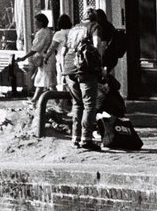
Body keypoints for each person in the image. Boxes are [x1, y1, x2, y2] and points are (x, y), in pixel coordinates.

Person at [64, 11, 103, 151]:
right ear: (95, 18)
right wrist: (100, 65)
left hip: (69, 67)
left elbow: (65, 48)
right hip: (85, 68)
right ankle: (86, 139)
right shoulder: (94, 27)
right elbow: (97, 45)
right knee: (89, 104)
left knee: (77, 104)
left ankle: (75, 137)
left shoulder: (74, 28)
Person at [20, 13, 55, 107]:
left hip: (45, 58)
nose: (34, 24)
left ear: (40, 22)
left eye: (36, 22)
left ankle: (59, 103)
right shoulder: (48, 31)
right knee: (41, 80)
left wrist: (24, 57)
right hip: (46, 57)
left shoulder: (42, 32)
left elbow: (35, 48)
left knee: (49, 82)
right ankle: (34, 100)